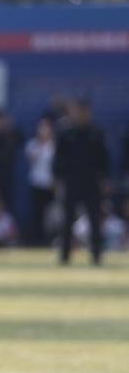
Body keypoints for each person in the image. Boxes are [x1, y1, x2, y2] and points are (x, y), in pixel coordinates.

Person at [53, 98, 110, 265]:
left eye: (84, 111)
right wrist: (57, 180)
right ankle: (64, 256)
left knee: (94, 219)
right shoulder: (65, 132)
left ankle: (97, 255)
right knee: (67, 220)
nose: (81, 114)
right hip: (71, 182)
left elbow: (104, 159)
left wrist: (104, 180)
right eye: (78, 111)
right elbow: (58, 159)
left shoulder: (96, 132)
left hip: (91, 182)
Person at [24, 117, 56, 245]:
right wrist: (41, 144)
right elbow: (32, 159)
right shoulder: (32, 144)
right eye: (41, 127)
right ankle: (37, 239)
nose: (44, 130)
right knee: (37, 213)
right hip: (36, 184)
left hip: (50, 185)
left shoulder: (54, 145)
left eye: (46, 127)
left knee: (50, 214)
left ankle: (49, 238)